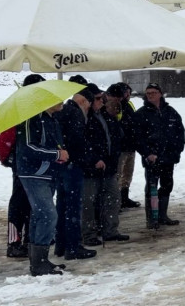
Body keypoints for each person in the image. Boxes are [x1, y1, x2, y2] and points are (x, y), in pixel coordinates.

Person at [16, 98, 68, 276]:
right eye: (56, 99)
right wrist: (56, 154)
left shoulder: (51, 119)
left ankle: (39, 260)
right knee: (48, 214)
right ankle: (39, 262)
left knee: (39, 215)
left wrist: (59, 153)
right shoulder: (32, 119)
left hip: (48, 173)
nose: (62, 101)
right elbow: (28, 147)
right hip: (33, 173)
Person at [0, 73, 45, 258]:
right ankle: (14, 242)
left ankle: (28, 239)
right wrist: (8, 159)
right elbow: (6, 137)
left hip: (32, 162)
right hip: (22, 162)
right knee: (19, 203)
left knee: (31, 202)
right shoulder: (19, 109)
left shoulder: (35, 108)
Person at [54, 77, 98, 260]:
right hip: (72, 167)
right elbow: (78, 142)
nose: (88, 109)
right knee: (72, 207)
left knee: (62, 206)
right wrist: (88, 158)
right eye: (88, 105)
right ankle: (73, 247)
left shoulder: (62, 111)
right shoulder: (75, 114)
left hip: (62, 166)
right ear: (83, 101)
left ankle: (61, 245)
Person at [134, 83, 185, 229]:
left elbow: (180, 133)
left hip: (168, 158)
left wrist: (177, 151)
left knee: (167, 185)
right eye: (148, 93)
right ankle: (152, 218)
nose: (150, 95)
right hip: (152, 159)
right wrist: (147, 153)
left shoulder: (170, 112)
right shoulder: (141, 114)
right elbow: (137, 138)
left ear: (160, 93)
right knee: (151, 188)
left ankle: (162, 215)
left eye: (153, 92)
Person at [82, 95, 128, 245]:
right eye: (98, 98)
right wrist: (94, 159)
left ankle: (110, 230)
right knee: (89, 202)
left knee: (113, 198)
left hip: (108, 166)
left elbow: (114, 137)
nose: (101, 101)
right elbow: (84, 141)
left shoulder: (104, 117)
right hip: (91, 168)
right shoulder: (85, 118)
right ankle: (89, 234)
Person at [106, 82, 140, 209]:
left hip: (131, 145)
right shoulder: (113, 105)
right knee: (118, 175)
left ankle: (124, 197)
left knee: (127, 175)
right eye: (126, 93)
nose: (128, 95)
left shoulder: (128, 105)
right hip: (121, 147)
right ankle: (116, 201)